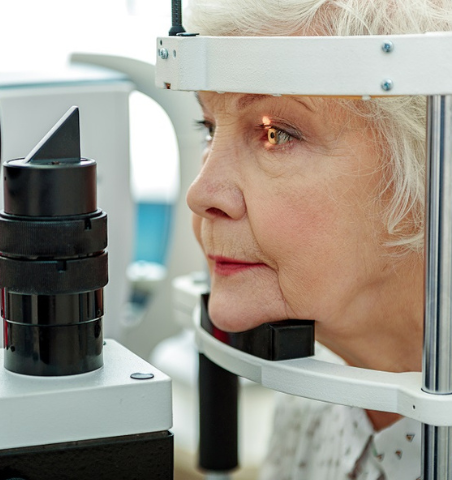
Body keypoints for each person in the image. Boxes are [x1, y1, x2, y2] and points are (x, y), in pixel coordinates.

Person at [184, 1, 452, 479]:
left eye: (275, 134)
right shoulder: (314, 399)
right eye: (208, 128)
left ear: (432, 162)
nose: (202, 194)